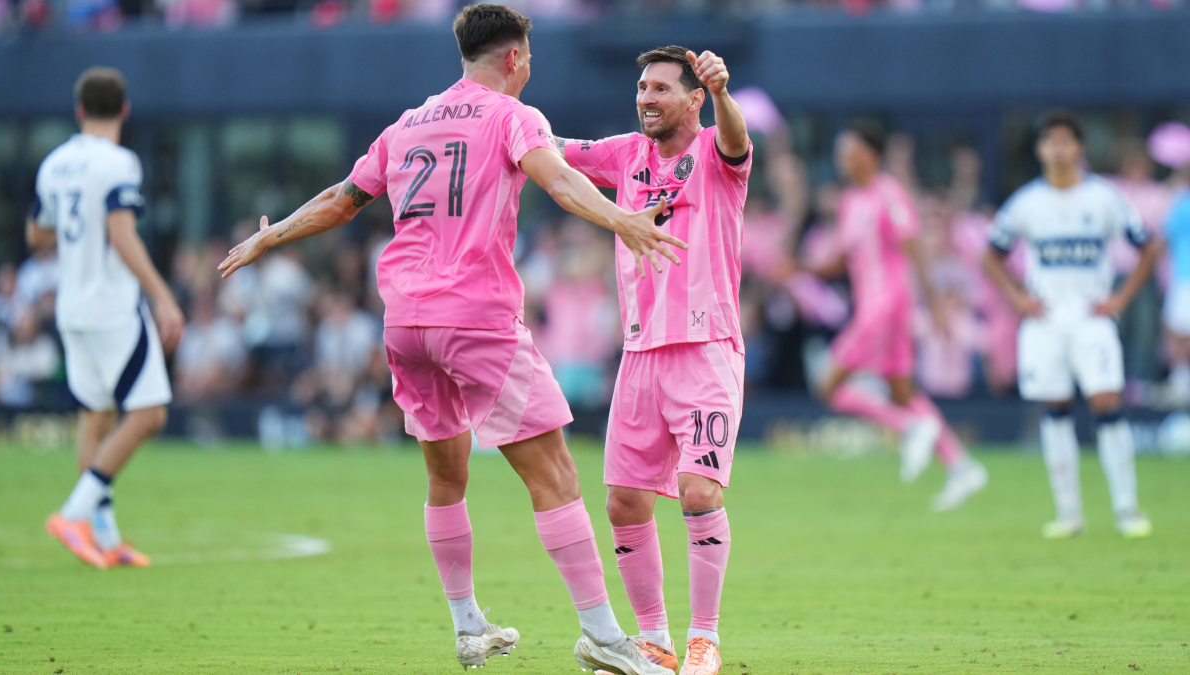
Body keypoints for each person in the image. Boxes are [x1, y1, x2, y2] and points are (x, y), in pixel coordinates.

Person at [218, 5, 683, 674]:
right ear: (514, 59)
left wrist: (270, 233)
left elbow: (343, 198)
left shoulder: (406, 125)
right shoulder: (513, 116)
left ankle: (468, 624)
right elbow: (556, 178)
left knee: (446, 474)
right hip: (476, 316)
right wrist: (623, 220)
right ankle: (606, 634)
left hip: (406, 321)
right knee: (553, 471)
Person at [556, 45, 750, 675]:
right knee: (623, 502)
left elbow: (736, 139)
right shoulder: (624, 155)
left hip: (706, 349)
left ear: (694, 100)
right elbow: (552, 149)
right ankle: (655, 641)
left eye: (662, 89)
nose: (646, 98)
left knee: (699, 491)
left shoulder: (718, 154)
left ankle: (706, 640)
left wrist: (724, 93)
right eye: (642, 87)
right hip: (639, 355)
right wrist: (497, 117)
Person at [31, 67, 185, 569]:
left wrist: (76, 237)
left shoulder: (54, 164)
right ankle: (74, 514)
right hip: (112, 307)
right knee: (150, 414)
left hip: (71, 308)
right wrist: (161, 295)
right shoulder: (119, 162)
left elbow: (37, 237)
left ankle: (104, 535)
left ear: (79, 111)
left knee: (96, 416)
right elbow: (123, 235)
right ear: (123, 111)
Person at [983, 110, 1161, 539]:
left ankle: (1126, 509)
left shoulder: (1103, 198)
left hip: (1090, 319)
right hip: (1045, 322)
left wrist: (1120, 297)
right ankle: (1069, 513)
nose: (1058, 150)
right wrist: (1017, 297)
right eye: (1051, 142)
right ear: (1040, 149)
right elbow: (990, 254)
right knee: (1056, 410)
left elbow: (1148, 246)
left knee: (1108, 405)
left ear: (1079, 147)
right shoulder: (1027, 203)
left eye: (1066, 141)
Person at [795, 122, 988, 512]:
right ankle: (962, 465)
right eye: (840, 153)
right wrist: (802, 269)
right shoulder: (851, 201)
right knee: (902, 392)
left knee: (827, 385)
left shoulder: (888, 192)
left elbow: (913, 246)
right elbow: (846, 259)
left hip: (887, 305)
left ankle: (909, 427)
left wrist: (932, 304)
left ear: (870, 155)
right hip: (873, 307)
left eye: (848, 151)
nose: (842, 160)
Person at [1163, 186, 1190, 402]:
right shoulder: (1182, 204)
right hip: (1184, 277)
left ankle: (1181, 384)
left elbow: (1163, 237)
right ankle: (1181, 384)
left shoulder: (1182, 204)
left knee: (1179, 335)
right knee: (1179, 334)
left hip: (1184, 279)